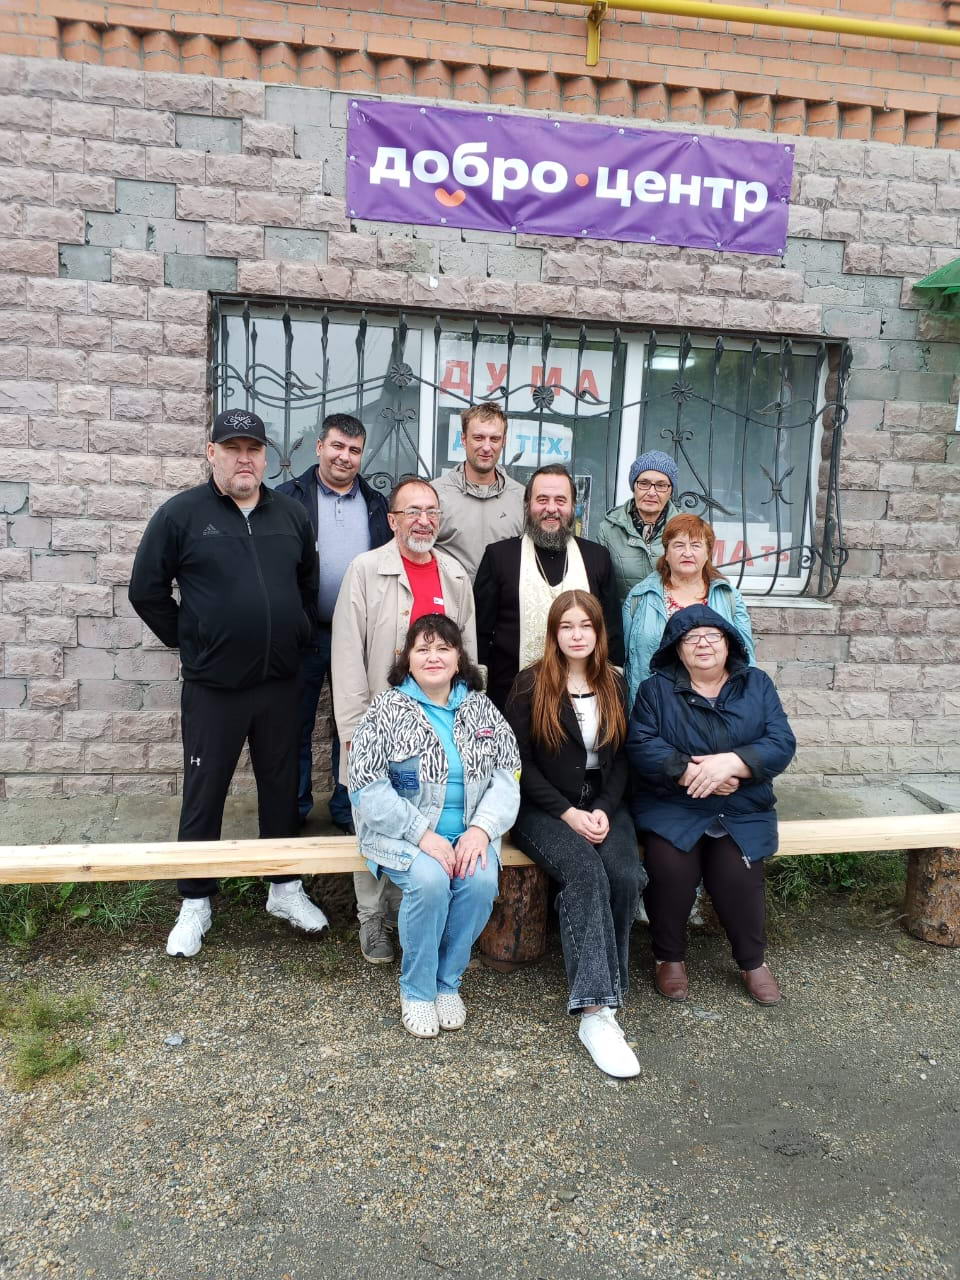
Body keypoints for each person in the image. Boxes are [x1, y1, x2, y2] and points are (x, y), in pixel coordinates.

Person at [129, 408, 330, 957]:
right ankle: (195, 901)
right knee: (205, 791)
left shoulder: (291, 514)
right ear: (211, 453)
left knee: (281, 789)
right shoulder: (181, 515)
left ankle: (284, 888)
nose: (245, 459)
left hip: (279, 683)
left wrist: (294, 634)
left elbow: (306, 587)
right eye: (233, 448)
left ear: (266, 457)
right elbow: (146, 590)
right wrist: (194, 640)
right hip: (214, 688)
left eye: (254, 449)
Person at [349, 615, 520, 1038]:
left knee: (480, 882)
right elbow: (367, 787)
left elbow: (508, 776)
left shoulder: (481, 708)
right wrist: (422, 834)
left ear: (459, 658)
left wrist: (481, 830)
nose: (433, 657)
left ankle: (447, 983)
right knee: (429, 882)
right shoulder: (386, 710)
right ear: (406, 658)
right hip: (403, 834)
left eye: (443, 648)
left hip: (468, 833)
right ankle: (417, 989)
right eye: (423, 649)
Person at [332, 476, 478, 965]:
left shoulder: (454, 576)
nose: (423, 520)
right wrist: (354, 732)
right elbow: (347, 656)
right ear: (392, 520)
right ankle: (372, 919)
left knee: (424, 818)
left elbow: (468, 656)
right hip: (379, 726)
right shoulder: (366, 570)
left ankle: (408, 917)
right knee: (374, 817)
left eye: (431, 511)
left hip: (438, 729)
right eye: (412, 511)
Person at [505, 591, 645, 1078]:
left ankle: (611, 986)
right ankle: (594, 1012)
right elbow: (518, 763)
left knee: (625, 874)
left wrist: (603, 809)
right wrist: (567, 813)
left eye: (586, 625)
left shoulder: (614, 683)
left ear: (598, 632)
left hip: (603, 803)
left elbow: (622, 757)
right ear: (554, 633)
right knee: (585, 871)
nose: (577, 634)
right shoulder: (530, 683)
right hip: (543, 809)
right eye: (567, 626)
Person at [627, 605, 795, 1005]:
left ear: (728, 643)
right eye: (691, 638)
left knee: (738, 873)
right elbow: (641, 744)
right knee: (670, 868)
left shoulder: (757, 684)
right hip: (675, 803)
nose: (703, 644)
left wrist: (733, 764)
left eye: (712, 636)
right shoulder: (655, 690)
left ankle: (752, 961)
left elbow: (780, 741)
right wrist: (689, 772)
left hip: (741, 804)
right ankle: (668, 957)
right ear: (677, 648)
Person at [276, 413, 390, 833]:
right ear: (320, 447)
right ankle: (294, 808)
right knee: (295, 724)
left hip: (360, 636)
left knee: (355, 723)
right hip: (305, 633)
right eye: (338, 446)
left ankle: (348, 807)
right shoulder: (287, 498)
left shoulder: (377, 504)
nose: (345, 457)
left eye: (354, 450)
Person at [474, 463, 623, 710]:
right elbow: (480, 634)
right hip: (510, 701)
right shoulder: (499, 557)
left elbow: (612, 634)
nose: (551, 509)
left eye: (560, 500)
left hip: (583, 703)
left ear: (573, 507)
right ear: (527, 505)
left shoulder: (597, 558)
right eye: (542, 499)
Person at [623, 513, 755, 712]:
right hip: (655, 708)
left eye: (695, 545)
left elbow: (746, 657)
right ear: (666, 553)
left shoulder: (728, 596)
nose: (687, 553)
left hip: (714, 708)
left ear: (708, 553)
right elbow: (626, 659)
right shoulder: (640, 596)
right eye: (678, 545)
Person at [432, 401, 525, 579]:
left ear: (504, 441)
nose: (487, 447)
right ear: (463, 439)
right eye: (479, 438)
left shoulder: (521, 498)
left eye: (494, 439)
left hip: (502, 596)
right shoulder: (435, 495)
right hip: (449, 596)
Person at [598, 450, 679, 606]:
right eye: (644, 483)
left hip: (672, 618)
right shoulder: (608, 529)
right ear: (633, 486)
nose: (651, 492)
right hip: (624, 617)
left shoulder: (687, 528)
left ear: (671, 491)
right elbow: (602, 588)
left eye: (661, 485)